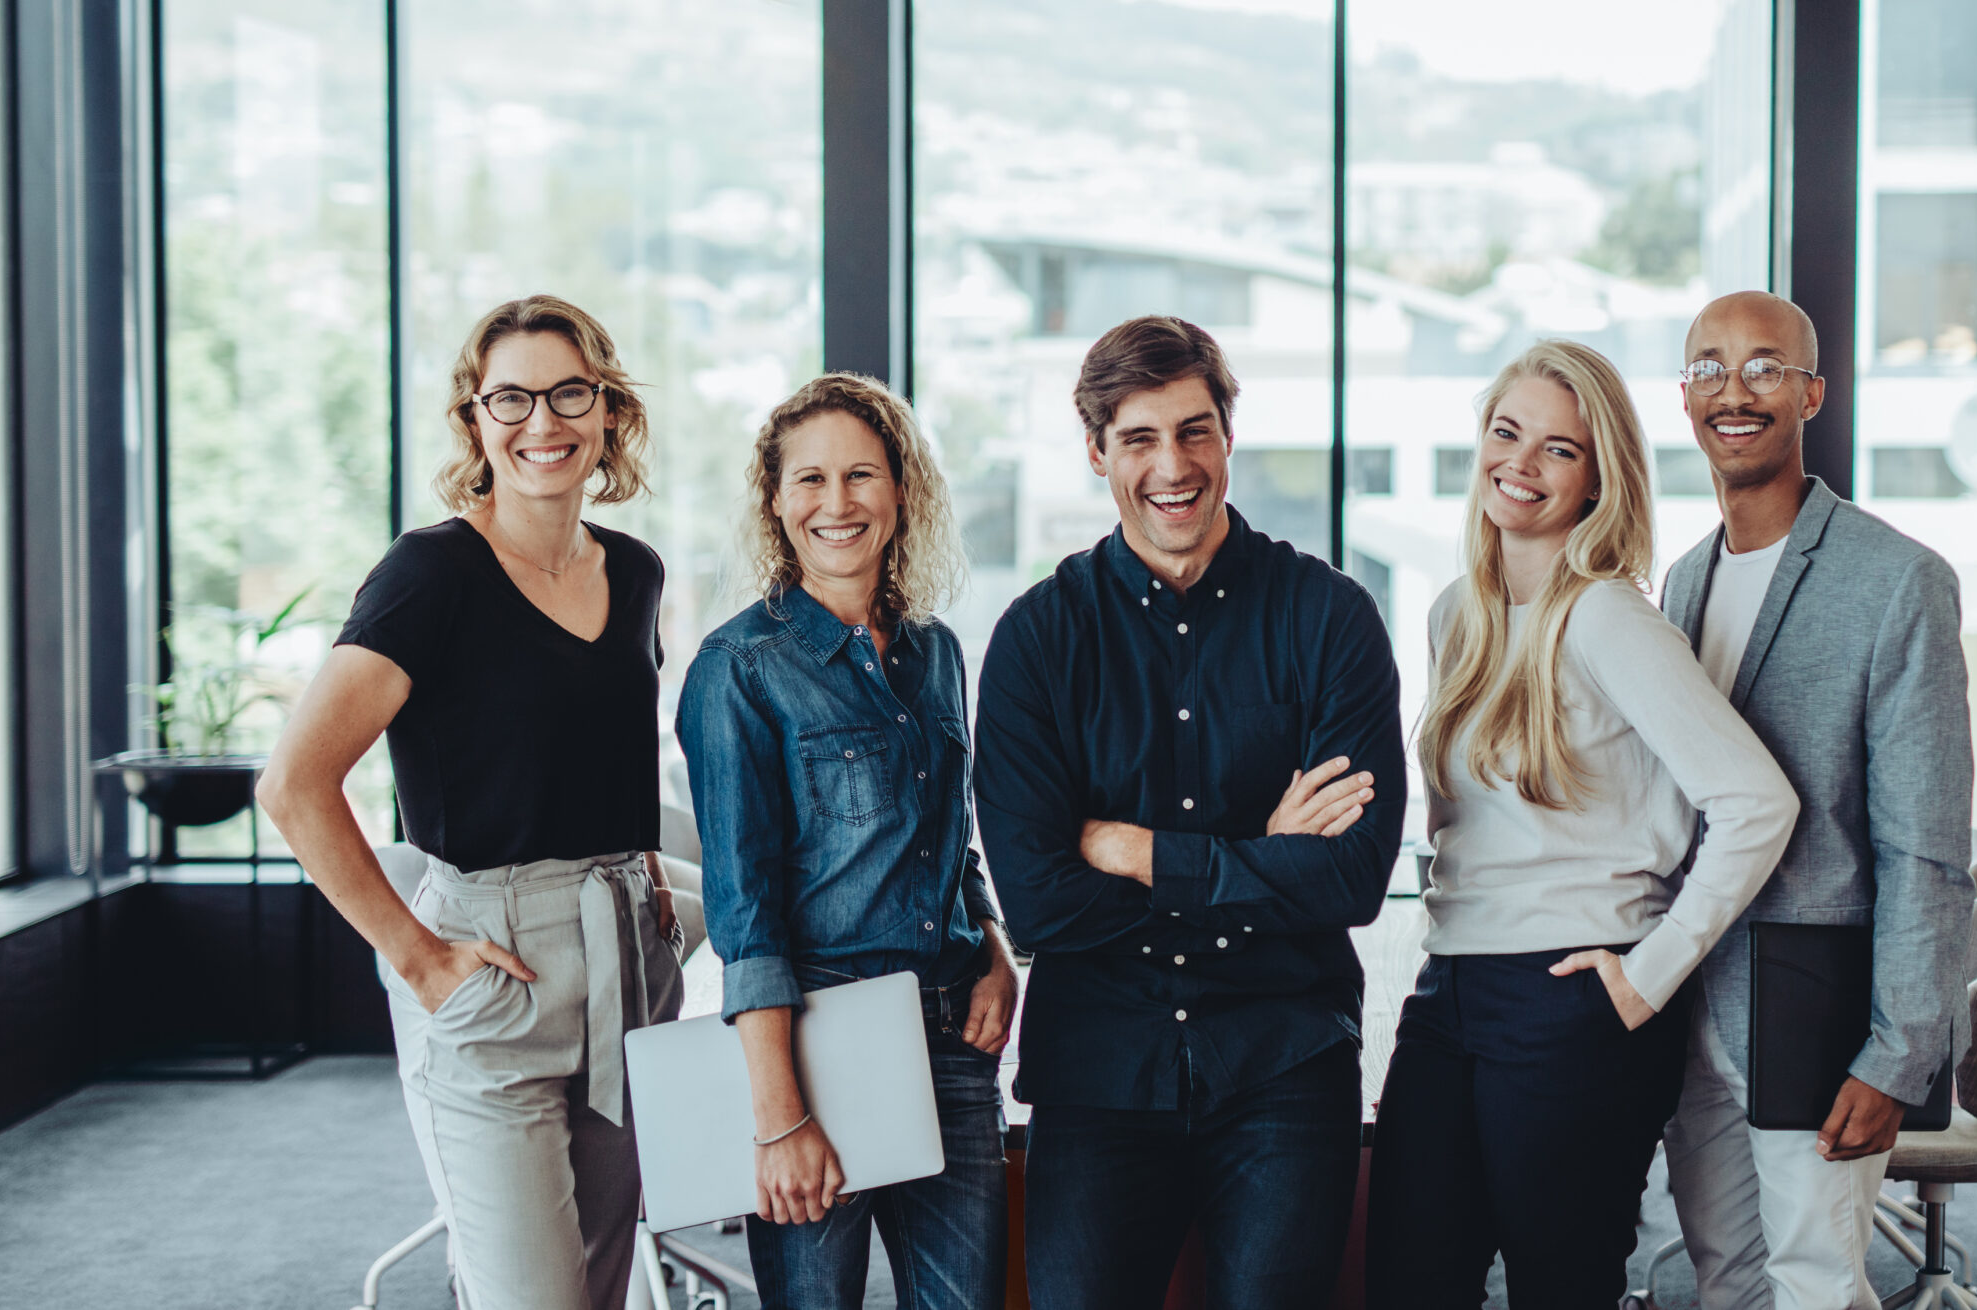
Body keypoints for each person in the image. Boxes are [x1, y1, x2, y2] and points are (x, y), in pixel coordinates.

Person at [258, 294, 683, 1310]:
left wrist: (647, 868)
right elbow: (293, 784)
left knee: (601, 1284)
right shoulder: (430, 573)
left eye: (570, 392)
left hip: (628, 955)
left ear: (609, 410)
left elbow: (601, 748)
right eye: (512, 398)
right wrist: (420, 957)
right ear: (474, 420)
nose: (545, 422)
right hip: (494, 970)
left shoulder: (633, 570)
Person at [973, 315, 1406, 1310]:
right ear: (1096, 452)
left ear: (1226, 434)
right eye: (1138, 437)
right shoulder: (1038, 637)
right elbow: (1039, 903)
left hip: (1284, 1066)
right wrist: (1259, 859)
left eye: (1194, 429)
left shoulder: (1326, 616)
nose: (1173, 464)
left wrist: (1132, 848)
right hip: (1098, 1078)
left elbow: (1350, 876)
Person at [1364, 339, 1798, 1309]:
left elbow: (1756, 803)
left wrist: (1646, 976)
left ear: (1599, 477)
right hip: (1453, 989)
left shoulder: (1606, 616)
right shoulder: (1456, 615)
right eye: (1505, 432)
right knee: (1408, 1273)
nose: (1519, 463)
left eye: (1558, 449)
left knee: (1560, 1284)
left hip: (1571, 996)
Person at [1658, 290, 1976, 1310]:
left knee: (1816, 1284)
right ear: (1684, 396)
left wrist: (1898, 1052)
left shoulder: (1896, 579)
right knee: (1724, 1278)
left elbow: (1926, 845)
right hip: (1695, 998)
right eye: (1709, 366)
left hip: (1817, 1006)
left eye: (1763, 365)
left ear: (1811, 392)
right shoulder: (1680, 579)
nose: (1734, 389)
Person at [675, 372, 1019, 1310]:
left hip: (952, 1037)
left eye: (861, 476)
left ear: (901, 490)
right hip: (817, 1039)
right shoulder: (738, 669)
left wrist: (991, 946)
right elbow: (743, 911)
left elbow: (953, 839)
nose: (838, 503)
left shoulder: (936, 651)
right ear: (776, 501)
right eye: (810, 481)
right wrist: (779, 1116)